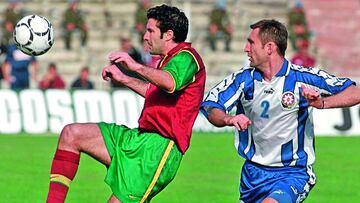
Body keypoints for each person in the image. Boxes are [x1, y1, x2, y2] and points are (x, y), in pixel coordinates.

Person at [46, 4, 206, 203]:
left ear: (168, 34)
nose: (145, 36)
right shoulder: (168, 60)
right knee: (72, 134)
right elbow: (153, 91)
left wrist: (134, 66)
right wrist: (123, 78)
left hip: (158, 150)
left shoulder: (187, 57)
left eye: (150, 31)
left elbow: (170, 83)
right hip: (137, 138)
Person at [200, 19, 360, 203]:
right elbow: (211, 105)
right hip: (253, 175)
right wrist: (228, 118)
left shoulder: (303, 77)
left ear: (269, 47)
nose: (246, 48)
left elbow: (354, 92)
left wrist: (322, 103)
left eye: (251, 42)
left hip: (292, 173)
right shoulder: (243, 79)